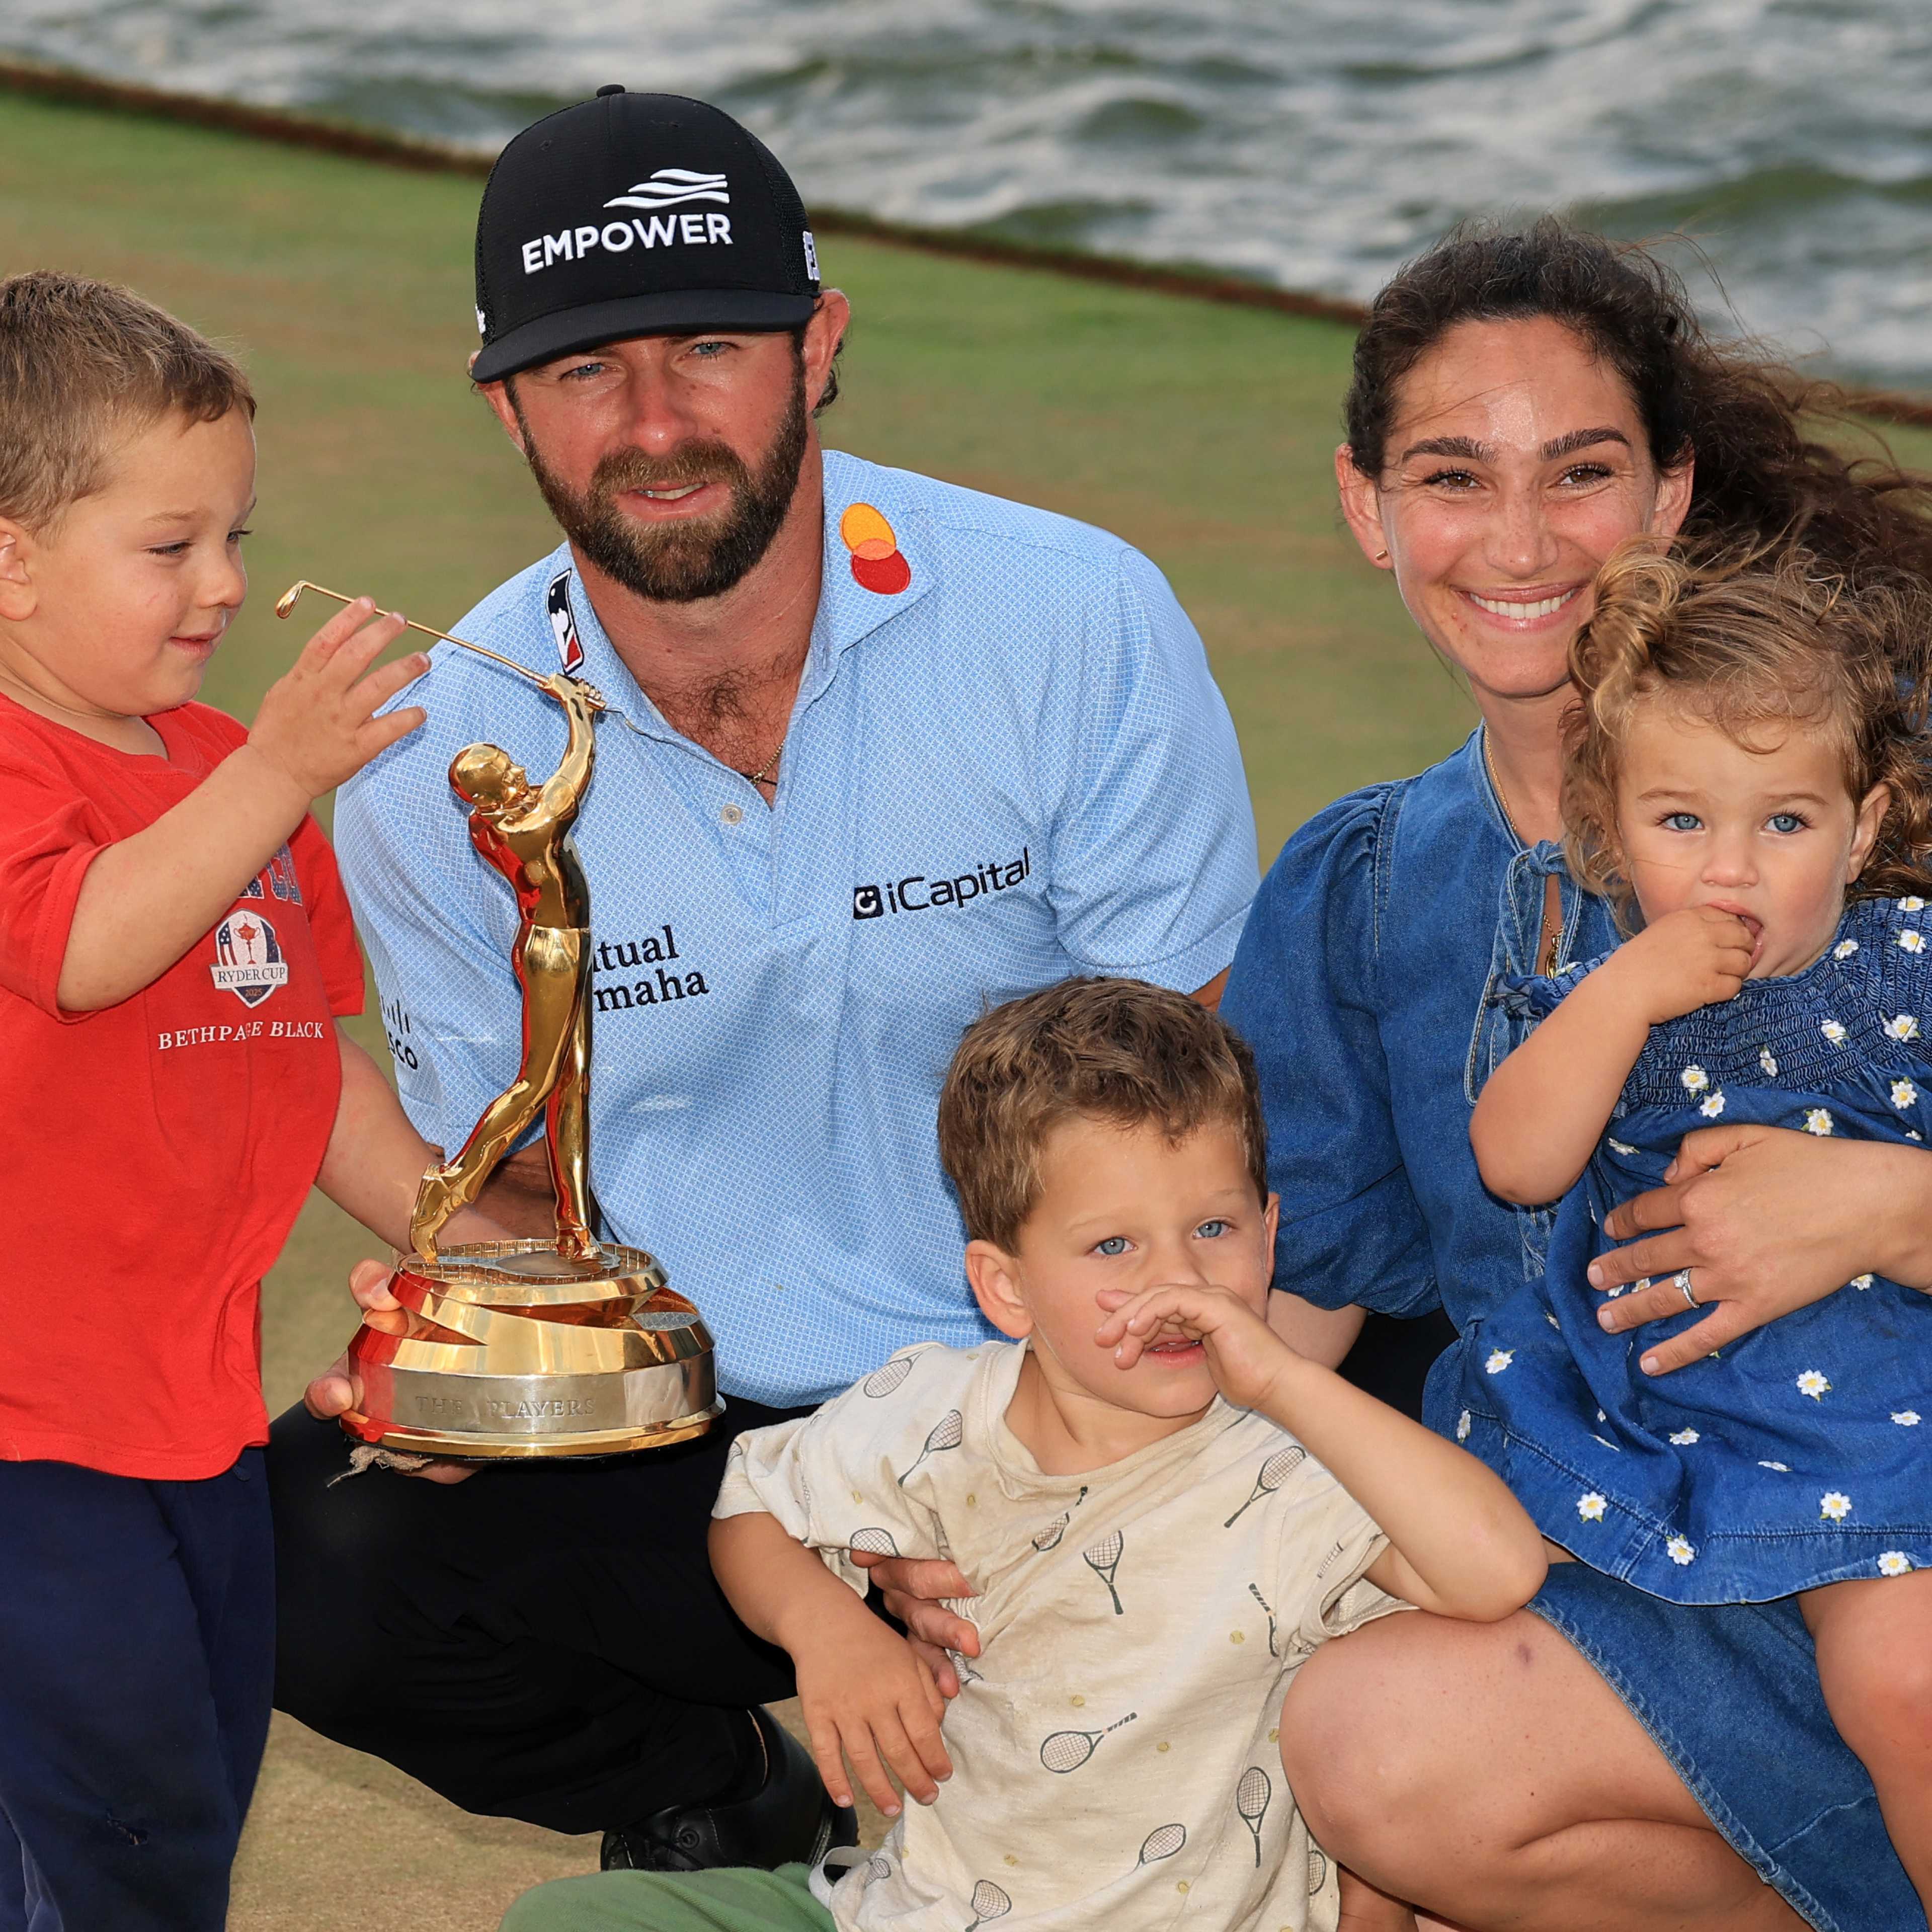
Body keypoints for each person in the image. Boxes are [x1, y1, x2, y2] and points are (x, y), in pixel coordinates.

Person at [269, 88, 1258, 1873]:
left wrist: (972, 1455)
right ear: (505, 402)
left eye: (712, 348)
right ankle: (724, 1798)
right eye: (585, 373)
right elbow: (504, 1187)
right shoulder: (434, 760)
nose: (653, 426)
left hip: (1048, 1366)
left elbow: (1186, 1122)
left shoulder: (1075, 619)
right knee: (311, 1568)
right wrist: (477, 1346)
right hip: (686, 1410)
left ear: (822, 347)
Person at [1202, 219, 1932, 1930]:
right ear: (1369, 508)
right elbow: (1300, 1302)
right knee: (1362, 1752)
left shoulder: (1873, 790)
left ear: (1671, 494)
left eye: (1582, 473)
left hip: (1906, 1518)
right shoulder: (1364, 889)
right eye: (1454, 477)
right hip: (1622, 1548)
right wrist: (1020, 1475)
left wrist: (1895, 1207)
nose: (1519, 543)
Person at [496, 977, 1547, 1932]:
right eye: (1112, 1247)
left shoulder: (1295, 1463)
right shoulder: (934, 1410)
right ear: (1004, 1287)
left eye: (1216, 1230)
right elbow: (752, 1510)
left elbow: (1499, 1568)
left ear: (1272, 1233)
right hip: (918, 1911)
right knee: (566, 1922)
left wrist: (1285, 1383)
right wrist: (828, 1631)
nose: (1177, 1282)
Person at [0, 273, 491, 1930]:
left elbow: (300, 1053)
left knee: (186, 1807)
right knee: (93, 1840)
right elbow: (82, 945)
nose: (225, 585)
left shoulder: (223, 771)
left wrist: (457, 1216)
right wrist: (277, 771)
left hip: (194, 1415)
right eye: (170, 546)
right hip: (25, 1436)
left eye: (237, 536)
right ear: (8, 559)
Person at [1463, 539, 1932, 1910]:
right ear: (1605, 825)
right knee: (1394, 1580)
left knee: (1906, 1681)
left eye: (1784, 824)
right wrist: (1624, 995)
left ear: (1863, 822)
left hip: (1880, 1429)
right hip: (1668, 1423)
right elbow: (1516, 1162)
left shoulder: (1909, 967)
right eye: (1684, 824)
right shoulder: (1604, 1001)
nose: (1733, 872)